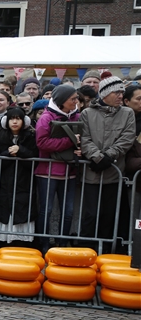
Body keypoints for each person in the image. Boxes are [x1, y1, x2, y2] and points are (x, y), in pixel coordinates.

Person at [79, 73, 135, 251]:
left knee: (109, 215)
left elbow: (127, 138)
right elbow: (84, 138)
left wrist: (109, 156)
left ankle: (105, 252)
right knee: (91, 214)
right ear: (105, 94)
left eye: (122, 92)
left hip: (114, 173)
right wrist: (97, 157)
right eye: (117, 92)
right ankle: (86, 250)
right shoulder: (87, 113)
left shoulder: (127, 113)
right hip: (92, 173)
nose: (121, 96)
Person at [34, 85, 80, 252]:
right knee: (46, 210)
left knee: (68, 211)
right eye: (73, 99)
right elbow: (42, 142)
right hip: (47, 172)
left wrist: (81, 150)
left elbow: (84, 139)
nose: (76, 101)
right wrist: (70, 141)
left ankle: (62, 244)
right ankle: (44, 245)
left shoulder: (77, 116)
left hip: (70, 172)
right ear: (62, 101)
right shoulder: (46, 118)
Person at [0, 107, 38, 247]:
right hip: (4, 182)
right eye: (12, 119)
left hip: (24, 182)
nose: (15, 122)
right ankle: (4, 243)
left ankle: (22, 243)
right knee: (5, 210)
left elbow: (34, 160)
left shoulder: (30, 137)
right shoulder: (0, 138)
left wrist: (21, 151)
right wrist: (8, 153)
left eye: (18, 119)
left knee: (23, 209)